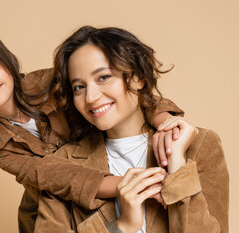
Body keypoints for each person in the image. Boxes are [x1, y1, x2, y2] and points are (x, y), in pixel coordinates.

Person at [0, 23, 184, 232]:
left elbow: (119, 93)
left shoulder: (52, 82)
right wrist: (133, 186)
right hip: (52, 205)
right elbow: (50, 175)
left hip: (109, 169)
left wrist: (165, 121)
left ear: (7, 60)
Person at [34, 26, 229, 232]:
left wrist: (178, 167)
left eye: (103, 77)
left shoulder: (200, 145)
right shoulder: (64, 162)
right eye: (79, 87)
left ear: (138, 78)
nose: (90, 97)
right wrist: (120, 227)